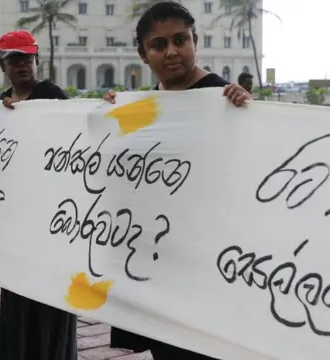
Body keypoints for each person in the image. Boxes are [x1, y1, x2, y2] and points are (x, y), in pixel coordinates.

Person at [103, 3, 249, 360]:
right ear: (143, 53)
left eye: (180, 40)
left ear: (195, 40)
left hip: (211, 261)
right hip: (157, 259)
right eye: (158, 44)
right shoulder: (141, 105)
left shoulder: (224, 98)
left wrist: (250, 114)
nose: (171, 52)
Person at [0, 30, 77, 360]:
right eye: (14, 58)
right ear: (2, 64)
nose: (22, 64)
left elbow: (73, 139)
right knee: (17, 295)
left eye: (27, 57)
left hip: (49, 221)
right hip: (13, 223)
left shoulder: (52, 95)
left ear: (36, 60)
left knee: (49, 300)